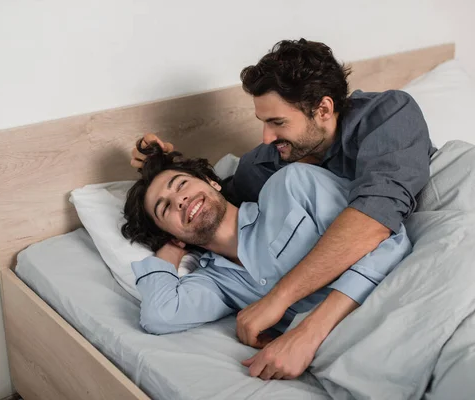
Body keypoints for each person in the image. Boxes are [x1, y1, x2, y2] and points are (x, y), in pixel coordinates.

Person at [130, 38, 432, 377]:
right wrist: (160, 169)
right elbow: (213, 201)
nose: (266, 138)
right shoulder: (261, 168)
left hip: (423, 223)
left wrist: (277, 301)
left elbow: (377, 221)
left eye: (277, 122)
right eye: (262, 121)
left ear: (323, 109)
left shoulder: (385, 116)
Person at [123, 142, 411, 380]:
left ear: (213, 183)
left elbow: (387, 237)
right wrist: (172, 247)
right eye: (165, 208)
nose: (180, 201)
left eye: (181, 184)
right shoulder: (215, 283)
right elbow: (159, 315)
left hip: (407, 310)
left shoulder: (292, 185)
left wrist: (309, 331)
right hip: (364, 367)